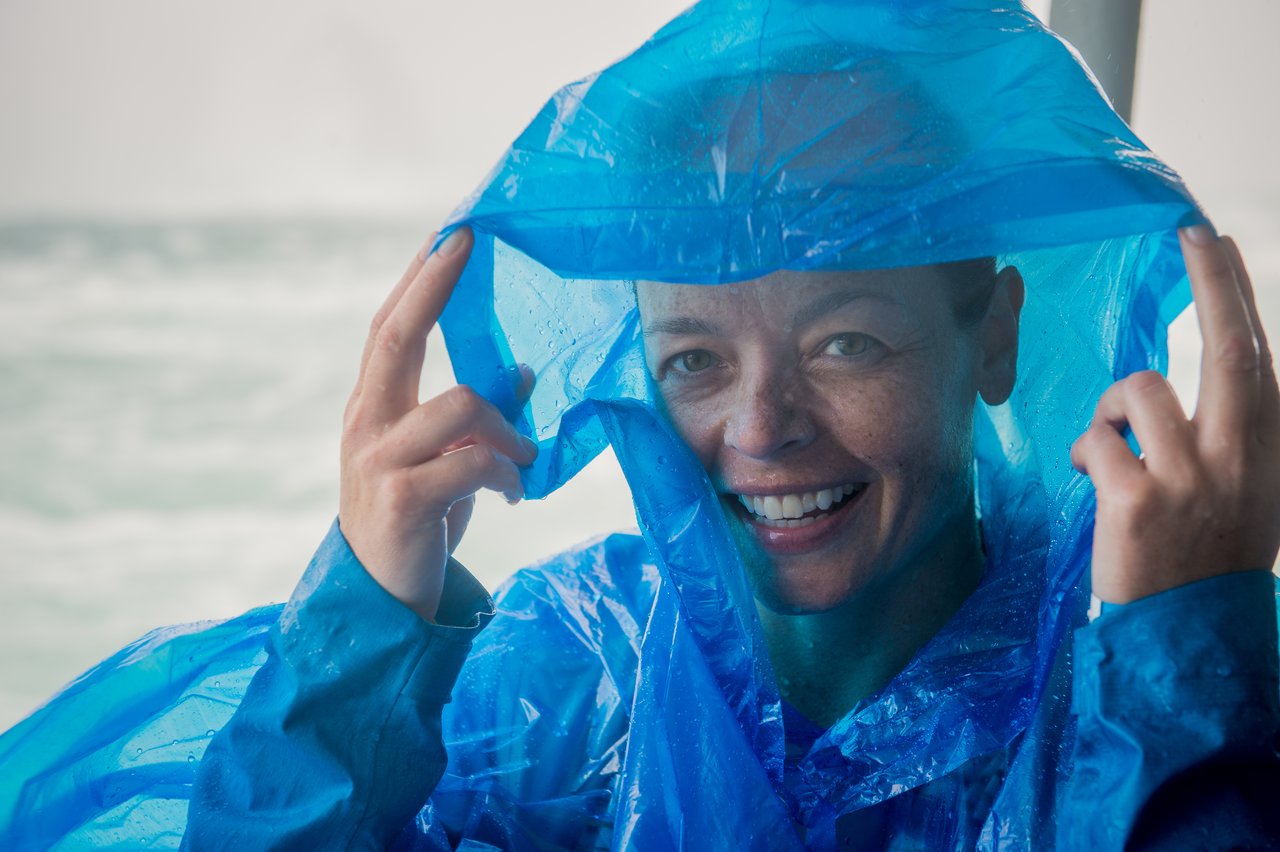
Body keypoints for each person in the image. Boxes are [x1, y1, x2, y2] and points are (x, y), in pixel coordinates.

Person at [2, 1, 1277, 849]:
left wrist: (1189, 657)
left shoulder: (1132, 695)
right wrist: (362, 643)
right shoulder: (583, 675)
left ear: (991, 335)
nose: (759, 427)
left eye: (844, 342)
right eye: (692, 359)